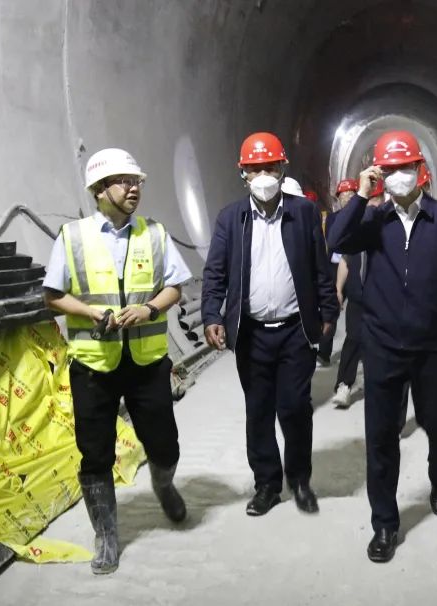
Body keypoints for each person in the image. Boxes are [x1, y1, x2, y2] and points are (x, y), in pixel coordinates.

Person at [328, 130, 437, 563]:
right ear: (380, 173)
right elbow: (336, 240)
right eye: (389, 169)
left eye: (404, 168)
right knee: (381, 437)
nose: (398, 176)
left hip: (433, 346)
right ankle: (384, 523)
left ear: (420, 169)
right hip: (382, 345)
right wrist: (362, 195)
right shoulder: (373, 219)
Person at [41, 148, 191, 575]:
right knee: (95, 454)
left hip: (146, 362)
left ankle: (164, 486)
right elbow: (53, 295)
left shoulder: (154, 234)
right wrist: (90, 312)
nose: (134, 188)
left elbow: (175, 287)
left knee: (164, 444)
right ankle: (106, 535)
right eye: (124, 181)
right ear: (99, 189)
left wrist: (148, 309)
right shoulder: (73, 237)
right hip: (94, 365)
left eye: (137, 181)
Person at [201, 132, 338, 517]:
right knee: (258, 411)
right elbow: (215, 273)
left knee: (295, 408)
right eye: (255, 168)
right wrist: (212, 314)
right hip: (252, 333)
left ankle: (300, 481)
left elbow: (320, 266)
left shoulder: (304, 212)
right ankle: (267, 485)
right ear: (242, 173)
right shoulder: (231, 218)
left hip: (295, 330)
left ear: (282, 169)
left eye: (270, 167)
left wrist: (328, 311)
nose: (263, 175)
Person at [328, 178, 363, 408]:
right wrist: (339, 288)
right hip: (358, 293)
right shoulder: (349, 226)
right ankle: (344, 384)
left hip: (383, 296)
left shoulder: (382, 223)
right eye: (344, 195)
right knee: (354, 337)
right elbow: (344, 259)